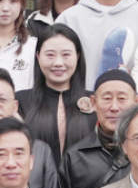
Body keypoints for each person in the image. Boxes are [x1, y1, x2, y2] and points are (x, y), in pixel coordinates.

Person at [63, 70, 137, 188]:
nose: (114, 107)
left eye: (122, 98)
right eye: (107, 98)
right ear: (93, 103)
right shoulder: (74, 157)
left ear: (136, 102)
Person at [18, 24, 94, 161]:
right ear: (38, 56)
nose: (58, 63)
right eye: (50, 55)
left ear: (77, 56)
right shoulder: (20, 101)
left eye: (66, 55)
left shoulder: (95, 102)